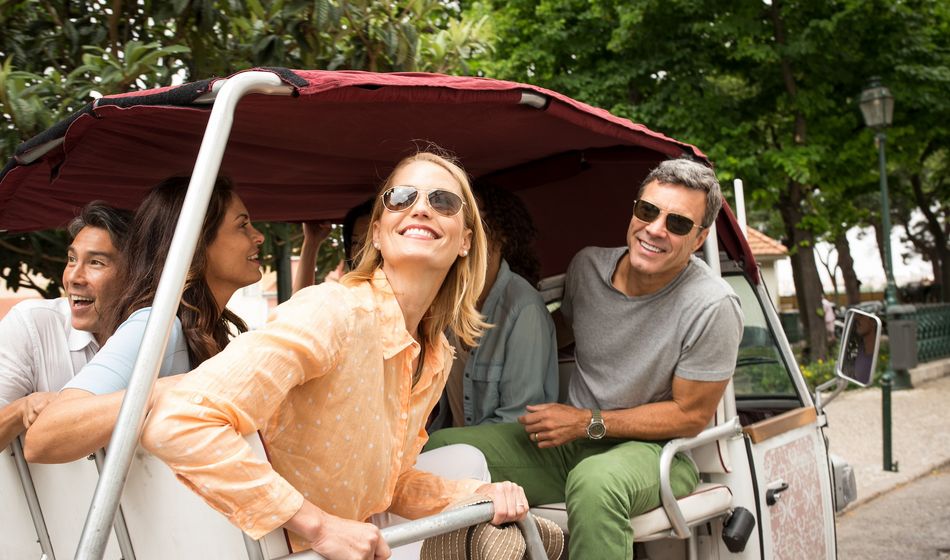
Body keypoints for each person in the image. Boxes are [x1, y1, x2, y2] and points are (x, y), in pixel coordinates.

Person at [141, 151, 531, 559]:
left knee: (472, 467)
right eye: (401, 197)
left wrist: (477, 494)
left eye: (443, 201)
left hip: (342, 545)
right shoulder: (332, 312)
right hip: (270, 546)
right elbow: (178, 420)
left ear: (465, 240)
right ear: (377, 233)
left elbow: (390, 484)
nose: (420, 208)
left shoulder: (434, 353)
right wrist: (319, 525)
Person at [426, 158, 744, 559]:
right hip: (571, 446)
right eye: (647, 211)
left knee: (595, 482)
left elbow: (690, 416)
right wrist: (490, 336)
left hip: (657, 452)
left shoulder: (713, 305)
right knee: (441, 447)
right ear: (634, 210)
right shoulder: (588, 267)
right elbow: (557, 331)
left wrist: (586, 422)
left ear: (698, 239)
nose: (655, 229)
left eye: (678, 223)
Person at [25, 176, 265, 463]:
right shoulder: (156, 326)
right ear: (197, 242)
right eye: (242, 225)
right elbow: (43, 437)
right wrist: (163, 390)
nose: (258, 236)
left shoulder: (205, 329)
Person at [0, 203, 132, 450]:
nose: (73, 277)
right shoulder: (32, 323)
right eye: (72, 259)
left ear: (136, 274)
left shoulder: (165, 335)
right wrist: (22, 409)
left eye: (96, 263)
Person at [430, 182, 558, 429]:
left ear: (503, 232)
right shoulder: (448, 304)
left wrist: (444, 446)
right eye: (460, 219)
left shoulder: (524, 308)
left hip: (503, 457)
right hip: (451, 453)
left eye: (477, 220)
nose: (466, 228)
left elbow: (516, 420)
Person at [293, 199, 374, 292]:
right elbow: (300, 304)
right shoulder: (348, 295)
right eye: (355, 242)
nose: (361, 251)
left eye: (370, 242)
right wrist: (311, 242)